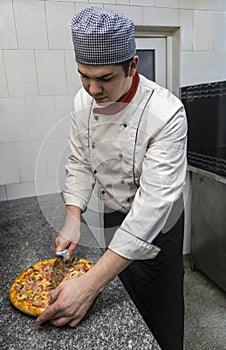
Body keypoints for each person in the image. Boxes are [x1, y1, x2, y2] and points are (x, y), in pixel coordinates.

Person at [36, 7, 187, 350]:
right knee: (119, 302)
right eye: (83, 77)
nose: (92, 89)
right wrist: (73, 217)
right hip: (112, 213)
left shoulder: (166, 114)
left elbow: (151, 208)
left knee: (159, 312)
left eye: (104, 78)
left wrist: (89, 285)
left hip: (158, 225)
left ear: (132, 66)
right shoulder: (82, 101)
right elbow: (80, 160)